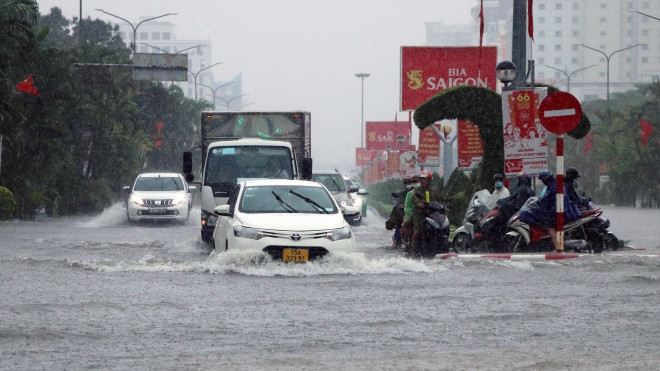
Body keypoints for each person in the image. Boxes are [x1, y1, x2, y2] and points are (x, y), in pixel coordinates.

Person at [519, 171, 580, 250]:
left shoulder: (554, 186)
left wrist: (539, 203)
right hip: (560, 209)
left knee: (550, 227)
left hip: (560, 211)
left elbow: (548, 199)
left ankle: (557, 247)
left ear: (545, 179)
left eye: (542, 180)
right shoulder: (554, 184)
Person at [410, 170, 444, 256]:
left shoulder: (435, 190)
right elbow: (415, 198)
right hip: (420, 214)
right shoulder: (417, 190)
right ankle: (413, 251)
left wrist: (445, 206)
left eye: (424, 179)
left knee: (441, 229)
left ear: (429, 180)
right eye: (421, 179)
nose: (422, 181)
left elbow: (441, 200)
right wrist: (419, 203)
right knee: (417, 233)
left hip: (433, 214)